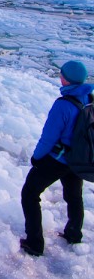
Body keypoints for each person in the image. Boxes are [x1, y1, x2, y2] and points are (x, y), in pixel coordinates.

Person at [20, 60, 94, 256]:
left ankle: (34, 243)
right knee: (74, 196)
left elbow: (49, 137)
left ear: (65, 80)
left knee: (29, 194)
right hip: (78, 159)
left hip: (58, 159)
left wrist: (37, 158)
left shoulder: (63, 105)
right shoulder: (89, 97)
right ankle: (74, 234)